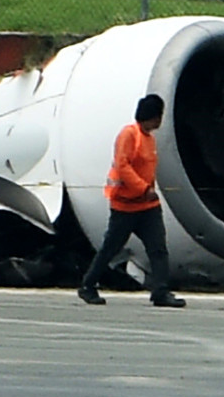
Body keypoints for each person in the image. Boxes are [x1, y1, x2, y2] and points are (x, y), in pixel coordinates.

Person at [77, 94, 186, 308]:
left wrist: (148, 191)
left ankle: (161, 292)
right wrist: (142, 188)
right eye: (158, 116)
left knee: (158, 249)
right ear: (152, 116)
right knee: (110, 248)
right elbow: (122, 165)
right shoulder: (129, 135)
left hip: (148, 207)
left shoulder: (150, 140)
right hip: (125, 207)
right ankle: (88, 285)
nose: (160, 121)